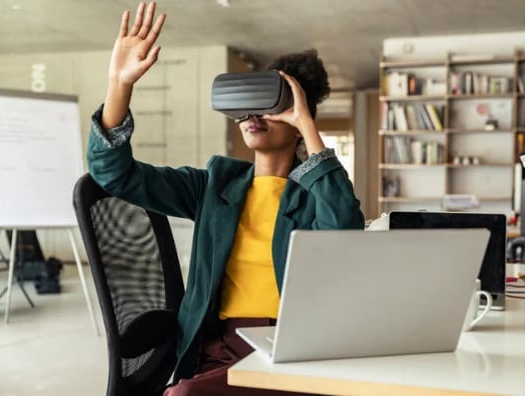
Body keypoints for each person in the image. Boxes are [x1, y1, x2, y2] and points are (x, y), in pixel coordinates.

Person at [87, 2, 365, 395]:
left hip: (292, 349)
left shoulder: (314, 196)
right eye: (250, 104)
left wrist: (307, 123)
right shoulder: (215, 186)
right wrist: (120, 83)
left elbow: (344, 229)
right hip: (220, 349)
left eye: (273, 104)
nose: (256, 113)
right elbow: (112, 173)